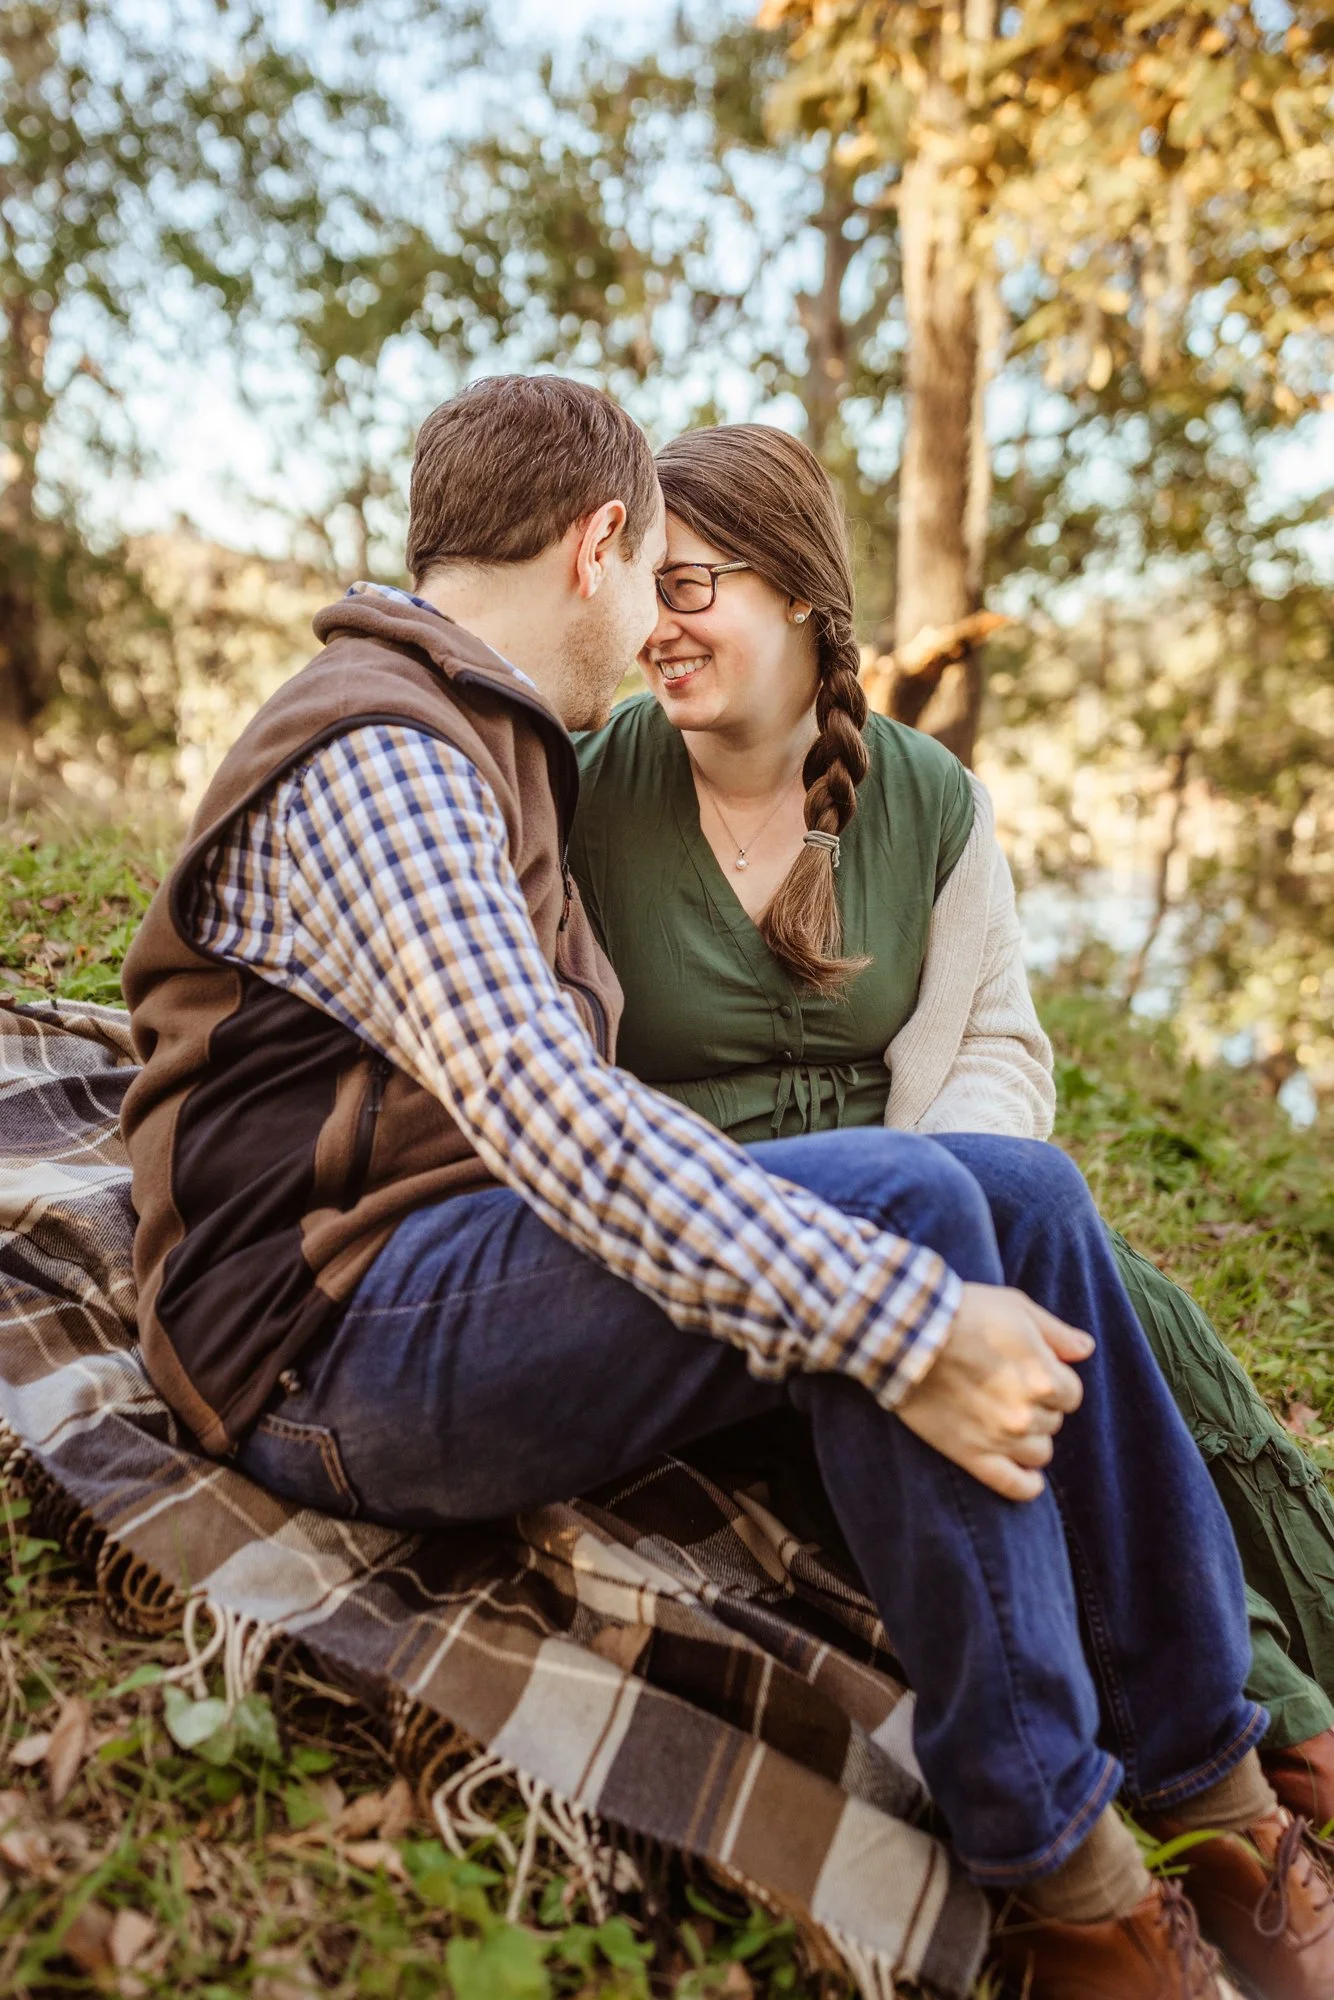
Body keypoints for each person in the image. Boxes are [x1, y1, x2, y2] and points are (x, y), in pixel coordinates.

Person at [119, 376, 1331, 2000]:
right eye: (649, 577)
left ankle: (1219, 1798)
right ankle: (1074, 1892)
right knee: (911, 1215)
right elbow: (553, 1117)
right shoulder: (386, 753)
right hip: (322, 1340)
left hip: (452, 1260)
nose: (647, 631)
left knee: (1019, 1196)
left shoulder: (485, 739)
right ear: (596, 545)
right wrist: (908, 1324)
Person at [569, 418, 1334, 1829]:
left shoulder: (927, 798)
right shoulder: (584, 791)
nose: (654, 627)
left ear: (799, 590)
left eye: (690, 586)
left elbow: (996, 1044)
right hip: (726, 1227)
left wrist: (945, 1191)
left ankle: (1279, 1703)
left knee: (1110, 1300)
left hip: (928, 1194)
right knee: (1063, 1286)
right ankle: (1266, 1716)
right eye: (642, 590)